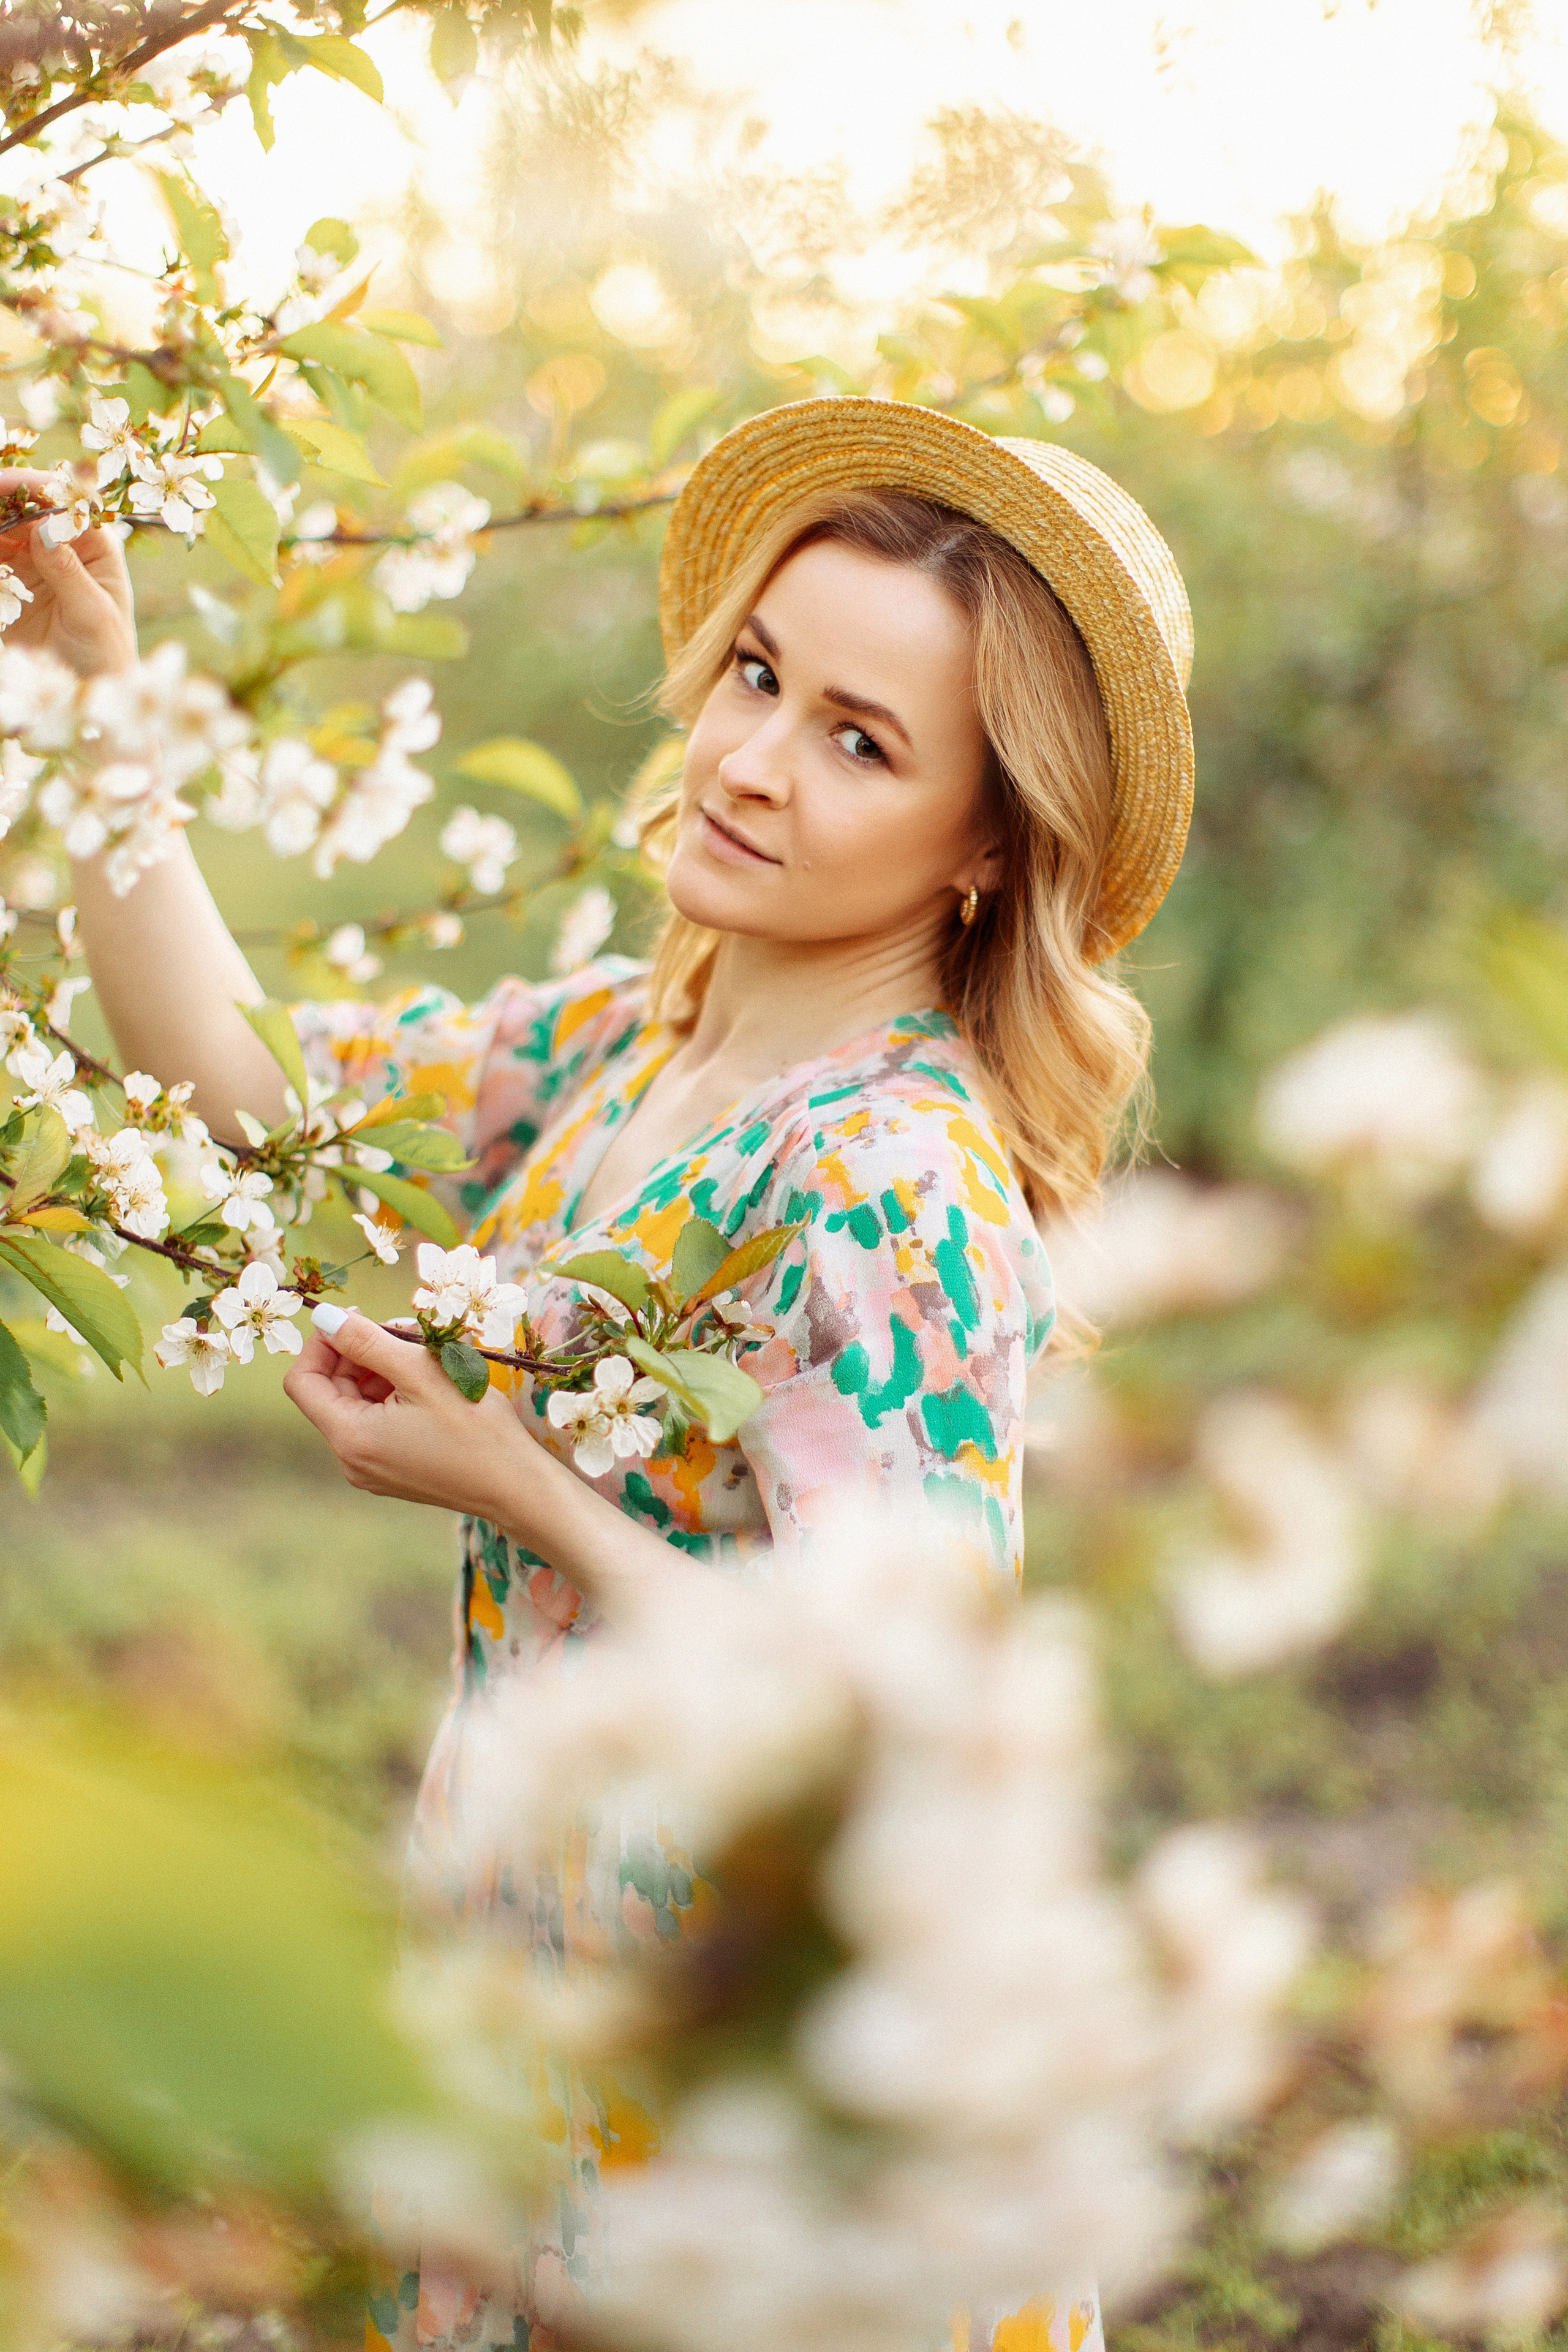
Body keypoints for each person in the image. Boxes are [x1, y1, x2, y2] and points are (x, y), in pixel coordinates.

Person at [16, 396, 1194, 2352]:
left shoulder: (887, 1182)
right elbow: (250, 1095)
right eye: (757, 673)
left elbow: (888, 1727)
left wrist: (526, 1491)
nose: (746, 761)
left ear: (988, 837)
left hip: (752, 2064)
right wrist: (97, 693)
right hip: (548, 1954)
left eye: (858, 739)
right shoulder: (627, 1057)